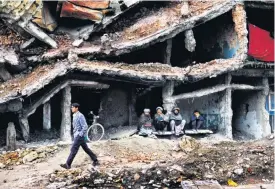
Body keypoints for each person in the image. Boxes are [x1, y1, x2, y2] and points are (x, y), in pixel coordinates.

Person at [60, 103, 99, 169]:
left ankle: (68, 164)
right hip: (77, 135)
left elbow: (85, 126)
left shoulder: (80, 116)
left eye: (72, 107)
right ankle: (95, 160)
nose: (71, 109)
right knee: (86, 149)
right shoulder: (74, 115)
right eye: (71, 107)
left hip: (79, 136)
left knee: (73, 149)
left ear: (76, 108)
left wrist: (80, 134)